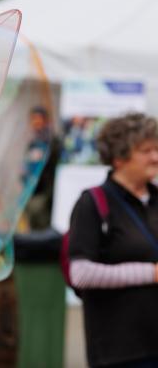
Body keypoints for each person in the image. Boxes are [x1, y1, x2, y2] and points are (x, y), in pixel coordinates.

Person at [67, 113, 158, 368]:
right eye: (145, 150)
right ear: (119, 158)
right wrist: (151, 273)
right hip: (121, 351)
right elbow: (81, 274)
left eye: (157, 149)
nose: (155, 157)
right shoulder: (93, 203)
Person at [22, 106, 62, 230]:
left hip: (45, 196)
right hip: (31, 193)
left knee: (42, 230)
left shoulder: (53, 143)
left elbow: (53, 170)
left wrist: (48, 196)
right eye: (33, 120)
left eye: (39, 120)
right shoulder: (33, 143)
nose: (36, 124)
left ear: (46, 121)